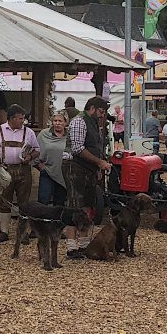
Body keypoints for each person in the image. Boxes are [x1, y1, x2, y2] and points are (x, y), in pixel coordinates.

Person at [65, 96, 111, 259]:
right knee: (74, 205)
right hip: (74, 167)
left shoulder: (93, 124)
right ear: (92, 108)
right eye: (101, 111)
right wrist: (99, 162)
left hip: (88, 169)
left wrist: (97, 166)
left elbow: (95, 146)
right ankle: (71, 247)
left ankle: (84, 245)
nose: (102, 115)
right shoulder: (79, 121)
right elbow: (77, 148)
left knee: (88, 206)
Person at [0, 104, 40, 243]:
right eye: (20, 118)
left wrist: (30, 157)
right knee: (4, 201)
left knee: (24, 203)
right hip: (4, 170)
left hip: (23, 169)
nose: (22, 121)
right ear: (11, 118)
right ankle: (4, 231)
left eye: (23, 118)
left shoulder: (29, 132)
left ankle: (23, 232)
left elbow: (37, 149)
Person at [36, 111, 71, 206]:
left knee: (59, 202)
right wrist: (39, 165)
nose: (57, 123)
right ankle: (40, 220)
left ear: (65, 122)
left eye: (60, 121)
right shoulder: (44, 134)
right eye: (55, 120)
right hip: (47, 171)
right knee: (43, 200)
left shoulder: (70, 136)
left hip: (63, 174)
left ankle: (57, 221)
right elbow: (35, 149)